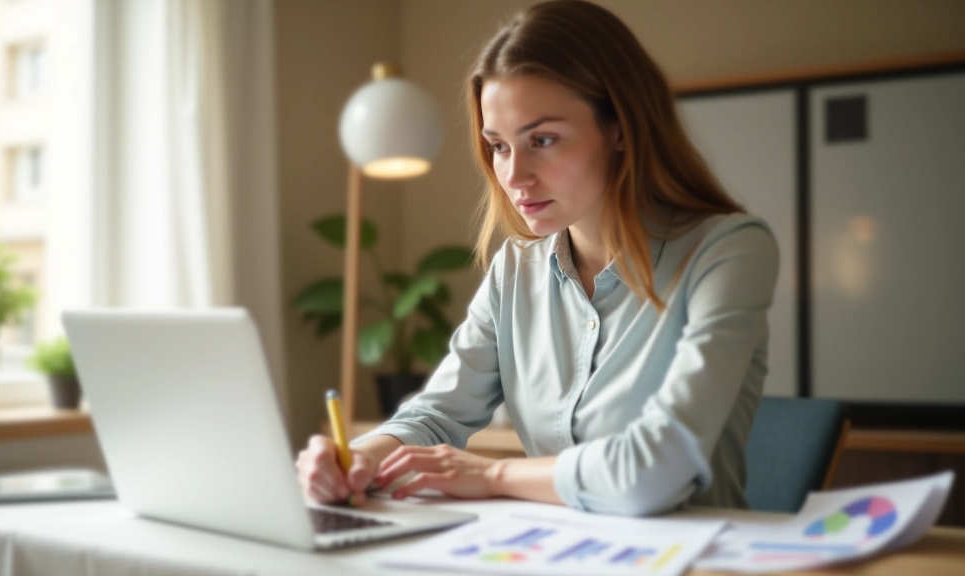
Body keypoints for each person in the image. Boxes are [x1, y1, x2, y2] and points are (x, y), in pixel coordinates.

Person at [296, 0, 779, 516]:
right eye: (499, 146)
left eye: (542, 140)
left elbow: (656, 469)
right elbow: (435, 418)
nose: (514, 176)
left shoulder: (729, 251)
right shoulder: (514, 272)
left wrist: (493, 474)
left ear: (621, 127)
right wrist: (357, 459)